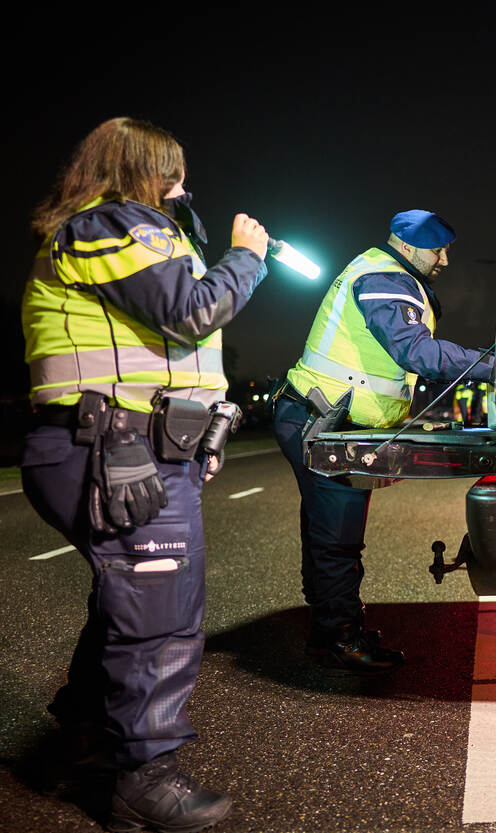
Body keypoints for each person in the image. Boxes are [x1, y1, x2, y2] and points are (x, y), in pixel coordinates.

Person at [20, 117, 269, 833]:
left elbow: (165, 353)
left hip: (137, 447)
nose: (184, 187)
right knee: (159, 619)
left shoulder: (136, 233)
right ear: (140, 170)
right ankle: (144, 780)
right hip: (106, 448)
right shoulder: (107, 226)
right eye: (174, 173)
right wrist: (245, 256)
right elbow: (191, 313)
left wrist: (199, 438)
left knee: (130, 603)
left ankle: (86, 743)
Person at [272, 209, 494, 675]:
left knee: (325, 535)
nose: (446, 260)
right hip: (325, 422)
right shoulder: (383, 278)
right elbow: (415, 350)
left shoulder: (380, 271)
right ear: (408, 246)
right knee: (337, 541)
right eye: (439, 249)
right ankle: (341, 640)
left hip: (318, 416)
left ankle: (327, 630)